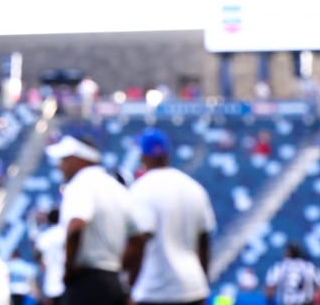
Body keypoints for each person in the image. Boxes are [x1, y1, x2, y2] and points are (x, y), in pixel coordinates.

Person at [124, 129, 216, 305]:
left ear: (143, 156)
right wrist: (203, 284)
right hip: (193, 288)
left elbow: (138, 243)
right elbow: (204, 243)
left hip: (155, 289)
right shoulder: (194, 187)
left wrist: (129, 287)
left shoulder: (142, 189)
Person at [50, 136, 131, 305]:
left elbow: (76, 227)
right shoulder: (117, 188)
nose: (60, 166)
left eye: (65, 160)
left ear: (79, 159)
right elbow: (138, 238)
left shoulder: (80, 184)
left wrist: (68, 269)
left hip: (86, 282)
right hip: (114, 281)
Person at [36, 206, 68, 305]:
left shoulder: (44, 237)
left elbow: (38, 254)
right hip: (68, 279)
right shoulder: (66, 233)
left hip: (51, 280)